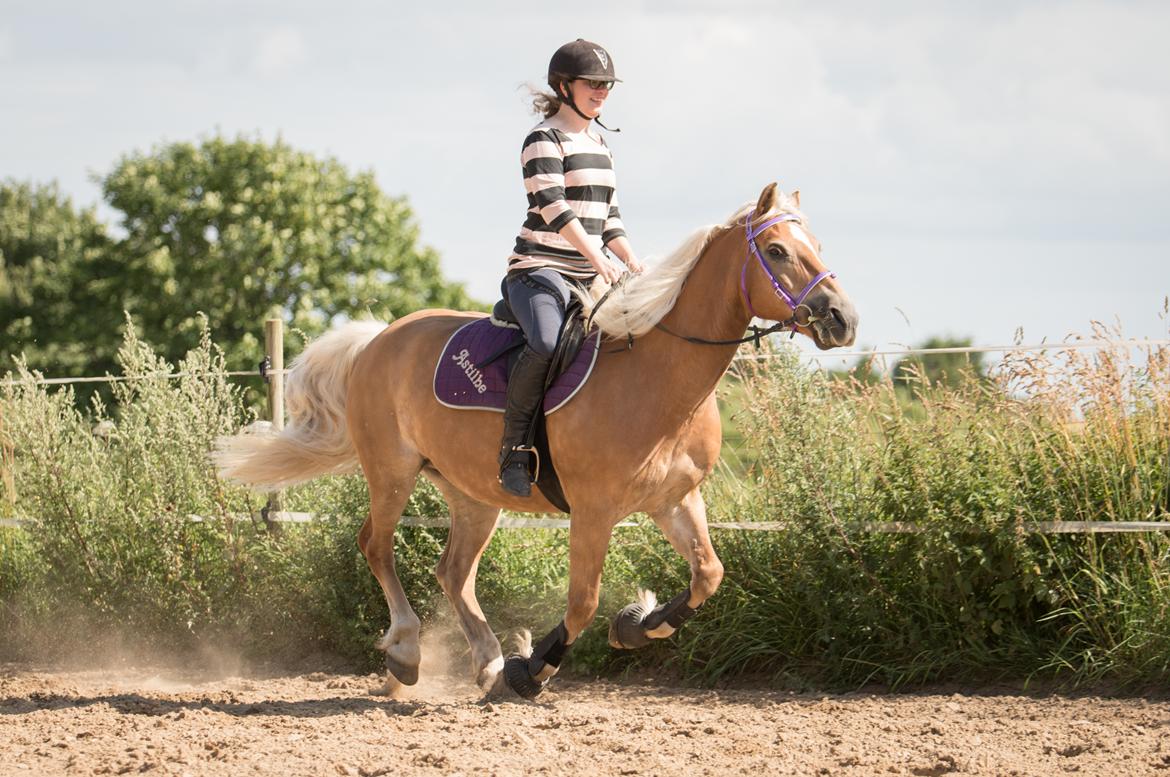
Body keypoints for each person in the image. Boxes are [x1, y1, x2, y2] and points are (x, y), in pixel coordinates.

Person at [497, 38, 643, 498]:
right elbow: (555, 207)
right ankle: (515, 448)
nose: (602, 92)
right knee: (543, 341)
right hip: (538, 271)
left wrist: (633, 263)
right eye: (593, 84)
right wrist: (598, 258)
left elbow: (610, 218)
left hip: (589, 276)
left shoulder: (600, 145)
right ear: (564, 86)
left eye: (607, 85)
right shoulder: (542, 139)